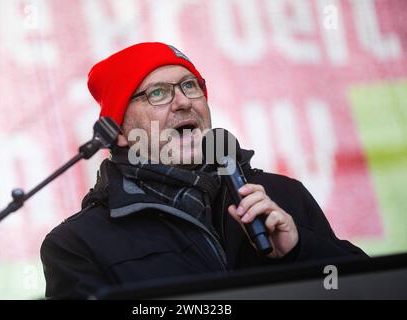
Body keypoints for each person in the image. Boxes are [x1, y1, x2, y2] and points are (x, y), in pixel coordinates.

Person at [40, 42, 368, 299]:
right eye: (157, 93)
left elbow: (368, 289)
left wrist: (301, 250)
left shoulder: (284, 196)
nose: (184, 102)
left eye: (190, 86)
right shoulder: (78, 244)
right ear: (121, 131)